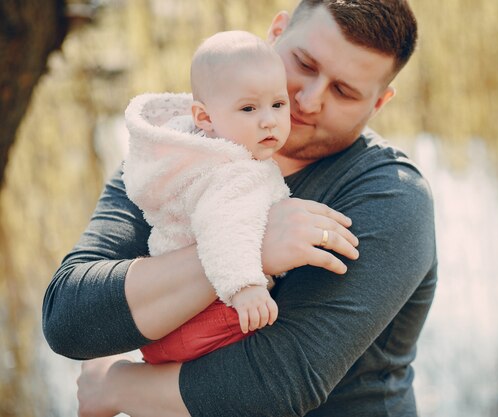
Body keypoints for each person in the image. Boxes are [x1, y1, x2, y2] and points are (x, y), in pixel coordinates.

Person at [42, 1, 438, 416]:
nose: (308, 99)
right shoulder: (175, 152)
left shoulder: (391, 196)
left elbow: (276, 384)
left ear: (378, 104)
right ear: (276, 33)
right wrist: (249, 246)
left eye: (344, 91)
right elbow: (70, 318)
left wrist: (118, 387)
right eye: (303, 63)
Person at [124, 31, 293, 364]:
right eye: (248, 108)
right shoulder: (230, 172)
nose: (269, 120)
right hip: (209, 311)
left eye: (278, 104)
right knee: (273, 352)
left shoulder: (204, 157)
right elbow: (223, 227)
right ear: (204, 118)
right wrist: (246, 287)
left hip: (175, 315)